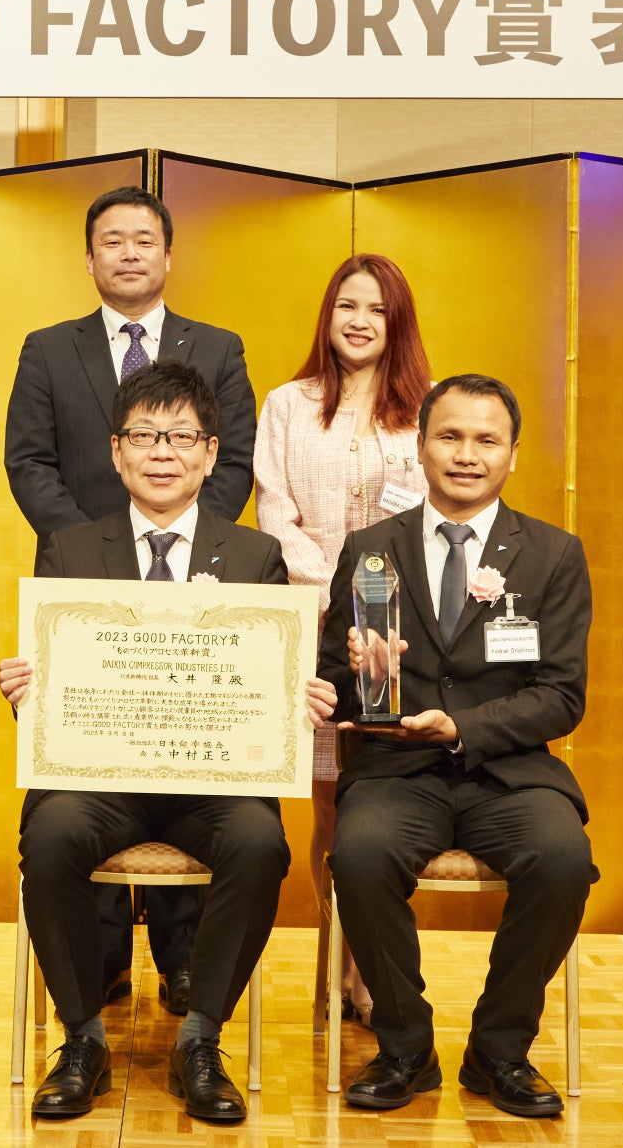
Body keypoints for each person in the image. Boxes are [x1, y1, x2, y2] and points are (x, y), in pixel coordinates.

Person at [0, 362, 337, 1123]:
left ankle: (201, 1039)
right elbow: (54, 706)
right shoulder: (69, 551)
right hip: (99, 782)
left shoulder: (253, 557)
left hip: (210, 784)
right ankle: (81, 1038)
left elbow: (267, 689)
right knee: (49, 833)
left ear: (211, 455)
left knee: (259, 841)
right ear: (116, 453)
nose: (162, 452)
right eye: (144, 435)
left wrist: (299, 700)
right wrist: (28, 691)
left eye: (181, 437)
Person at [316, 374, 596, 1119]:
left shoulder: (552, 554)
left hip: (509, 773)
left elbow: (561, 696)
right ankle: (405, 1047)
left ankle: (499, 1049)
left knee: (563, 859)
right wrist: (358, 678)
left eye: (486, 440)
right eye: (450, 436)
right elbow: (333, 681)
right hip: (396, 772)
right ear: (421, 446)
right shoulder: (370, 549)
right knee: (359, 856)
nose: (467, 454)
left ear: (512, 453)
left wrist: (464, 726)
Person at [4, 185, 256, 1009]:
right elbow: (28, 462)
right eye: (111, 240)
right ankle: (101, 959)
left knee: (191, 746)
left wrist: (183, 534)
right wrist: (103, 547)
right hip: (83, 579)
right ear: (89, 258)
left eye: (144, 239)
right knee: (91, 757)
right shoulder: (49, 348)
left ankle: (184, 961)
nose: (129, 253)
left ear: (168, 254)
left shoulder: (218, 346)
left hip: (198, 578)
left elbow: (234, 459)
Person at [253, 253, 432, 1029]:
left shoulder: (426, 409)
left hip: (400, 636)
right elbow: (274, 511)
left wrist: (381, 602)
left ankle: (367, 968)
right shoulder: (288, 405)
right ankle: (337, 962)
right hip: (316, 623)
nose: (359, 321)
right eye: (346, 306)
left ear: (398, 322)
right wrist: (337, 593)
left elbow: (436, 517)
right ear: (328, 315)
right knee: (328, 809)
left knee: (381, 800)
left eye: (377, 309)